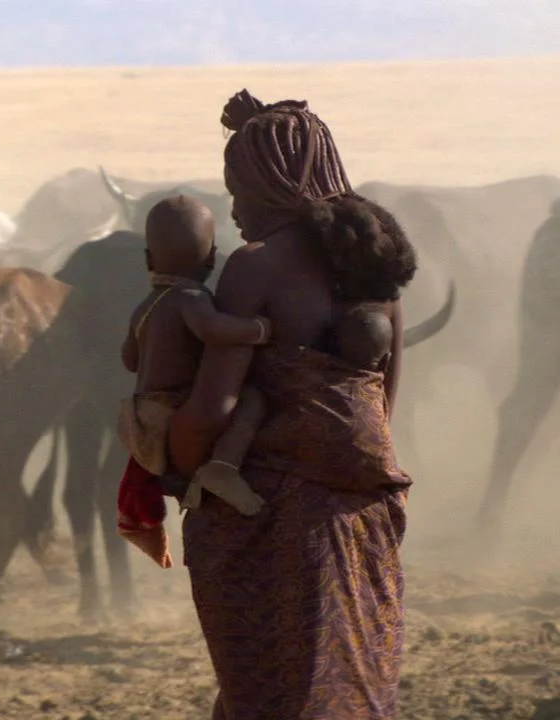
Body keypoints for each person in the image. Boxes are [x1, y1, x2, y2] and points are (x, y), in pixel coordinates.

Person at [165, 89, 417, 720]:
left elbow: (214, 406)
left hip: (277, 522)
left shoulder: (254, 268)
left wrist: (171, 462)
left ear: (275, 186)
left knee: (274, 692)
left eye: (240, 187)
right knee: (349, 678)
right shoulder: (375, 275)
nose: (235, 207)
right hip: (364, 516)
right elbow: (382, 411)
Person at [116, 195, 272, 569]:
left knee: (147, 474)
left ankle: (147, 516)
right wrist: (258, 329)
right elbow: (213, 330)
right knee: (251, 400)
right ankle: (224, 466)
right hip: (174, 408)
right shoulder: (191, 297)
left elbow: (128, 359)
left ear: (149, 260)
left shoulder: (145, 306)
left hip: (140, 414)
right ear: (211, 260)